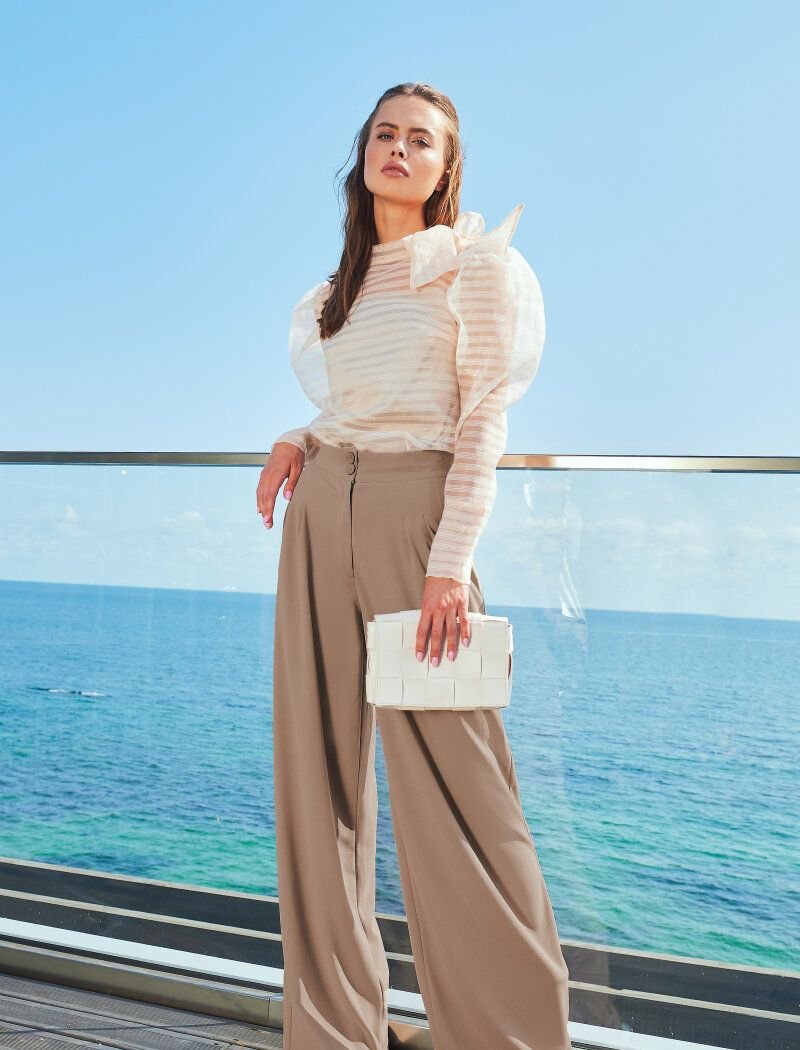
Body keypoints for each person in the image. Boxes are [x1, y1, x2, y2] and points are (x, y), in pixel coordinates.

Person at [256, 81, 571, 1050]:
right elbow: (362, 404)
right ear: (363, 156)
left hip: (418, 523)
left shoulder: (475, 265)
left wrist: (449, 564)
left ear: (445, 167)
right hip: (321, 514)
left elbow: (478, 420)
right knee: (314, 785)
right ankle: (331, 1032)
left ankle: (507, 1036)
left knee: (460, 794)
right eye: (384, 134)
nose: (399, 149)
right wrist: (301, 437)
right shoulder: (336, 292)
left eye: (420, 140)